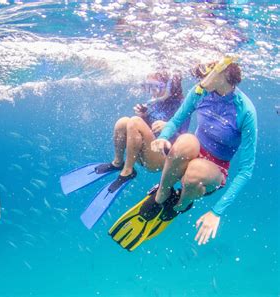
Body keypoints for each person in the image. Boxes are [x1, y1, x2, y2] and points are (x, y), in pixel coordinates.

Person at [109, 56, 258, 251]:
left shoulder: (245, 111)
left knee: (195, 172)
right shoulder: (200, 92)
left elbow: (246, 169)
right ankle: (161, 195)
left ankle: (180, 205)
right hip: (190, 153)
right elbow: (177, 120)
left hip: (214, 169)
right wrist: (164, 136)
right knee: (187, 140)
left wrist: (216, 212)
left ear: (223, 73)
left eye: (206, 71)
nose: (200, 78)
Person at [60, 70, 189, 229]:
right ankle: (118, 163)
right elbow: (146, 130)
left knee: (133, 121)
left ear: (171, 85)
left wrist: (169, 127)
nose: (152, 91)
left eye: (156, 86)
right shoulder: (154, 102)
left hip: (163, 158)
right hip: (147, 153)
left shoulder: (181, 105)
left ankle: (127, 171)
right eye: (148, 87)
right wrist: (144, 116)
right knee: (123, 121)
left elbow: (184, 141)